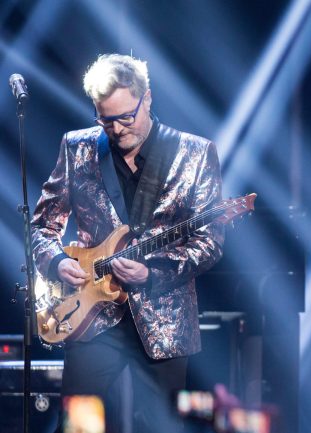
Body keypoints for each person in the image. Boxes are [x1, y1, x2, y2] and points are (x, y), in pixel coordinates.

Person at [31, 54, 225, 432]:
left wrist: (152, 272)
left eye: (126, 117)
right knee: (78, 425)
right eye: (106, 120)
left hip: (165, 324)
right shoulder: (77, 148)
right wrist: (56, 262)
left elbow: (211, 242)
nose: (118, 130)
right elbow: (41, 226)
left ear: (147, 98)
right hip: (89, 319)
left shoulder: (196, 153)